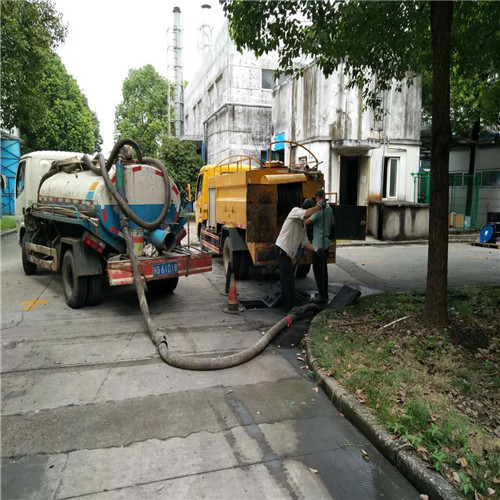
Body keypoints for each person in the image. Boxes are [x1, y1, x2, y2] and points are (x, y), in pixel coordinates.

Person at [275, 198, 322, 312]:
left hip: (287, 254)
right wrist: (319, 207)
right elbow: (306, 213)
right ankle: (289, 307)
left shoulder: (302, 225)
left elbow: (305, 243)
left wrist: (316, 249)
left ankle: (288, 303)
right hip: (282, 250)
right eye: (310, 214)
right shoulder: (295, 211)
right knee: (287, 280)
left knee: (289, 279)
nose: (310, 218)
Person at [306, 189, 334, 305]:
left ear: (317, 198)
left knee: (318, 271)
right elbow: (333, 222)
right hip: (326, 244)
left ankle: (321, 296)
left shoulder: (319, 211)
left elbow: (307, 221)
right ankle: (324, 293)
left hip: (318, 245)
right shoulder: (330, 209)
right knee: (324, 270)